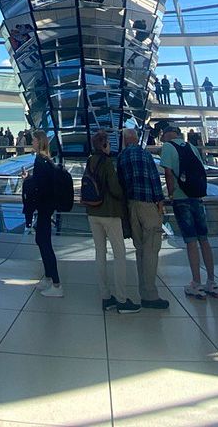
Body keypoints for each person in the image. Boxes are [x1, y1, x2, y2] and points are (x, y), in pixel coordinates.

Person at [158, 120, 218, 299]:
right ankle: (212, 282)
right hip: (196, 197)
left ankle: (196, 283)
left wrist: (170, 194)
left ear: (167, 136)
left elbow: (168, 173)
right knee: (204, 240)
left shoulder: (168, 147)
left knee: (191, 241)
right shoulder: (191, 146)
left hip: (181, 198)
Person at [84, 131, 139, 313]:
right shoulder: (107, 163)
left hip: (93, 212)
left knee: (100, 253)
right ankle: (122, 299)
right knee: (119, 254)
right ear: (105, 145)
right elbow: (115, 188)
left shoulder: (90, 161)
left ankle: (106, 296)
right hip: (109, 213)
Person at [117, 128, 169, 309]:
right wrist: (160, 201)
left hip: (132, 207)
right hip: (148, 205)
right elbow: (154, 179)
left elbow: (121, 185)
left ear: (124, 141)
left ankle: (144, 290)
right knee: (151, 248)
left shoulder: (121, 157)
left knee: (140, 249)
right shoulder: (144, 154)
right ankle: (150, 294)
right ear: (136, 139)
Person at [23, 130, 62, 296]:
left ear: (39, 142)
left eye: (33, 140)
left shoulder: (40, 160)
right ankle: (48, 276)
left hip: (44, 208)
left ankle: (56, 284)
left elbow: (38, 186)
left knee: (44, 243)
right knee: (42, 241)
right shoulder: (48, 160)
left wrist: (27, 180)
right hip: (48, 206)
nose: (31, 143)